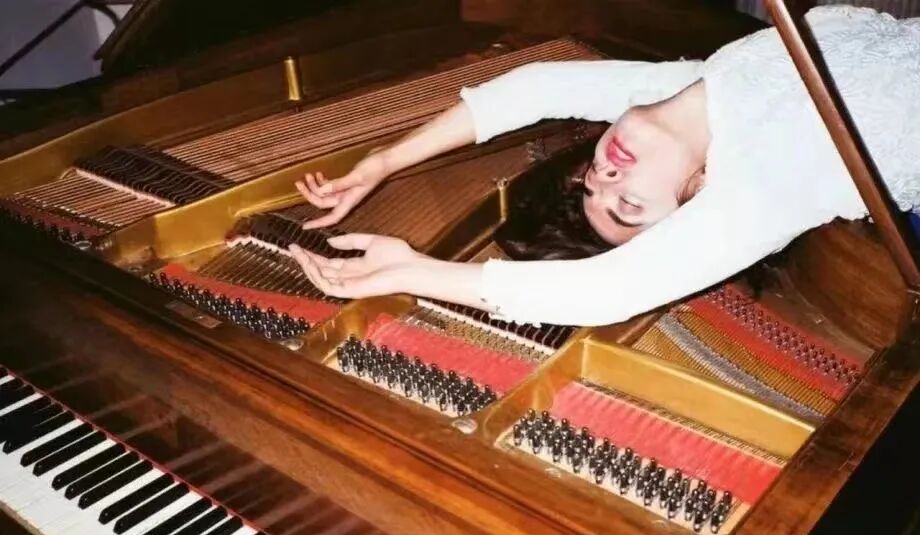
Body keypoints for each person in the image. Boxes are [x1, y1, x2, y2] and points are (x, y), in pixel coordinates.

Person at [288, 6, 920, 327]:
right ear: (702, 195)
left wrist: (384, 162)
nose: (606, 177)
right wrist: (416, 271)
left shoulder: (699, 89)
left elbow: (534, 88)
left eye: (592, 183)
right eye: (630, 206)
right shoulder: (769, 173)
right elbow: (607, 292)